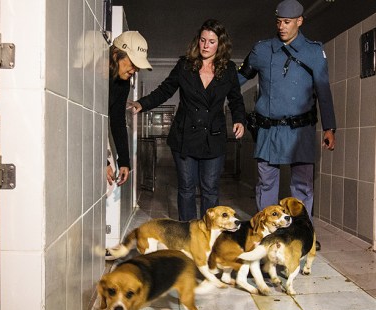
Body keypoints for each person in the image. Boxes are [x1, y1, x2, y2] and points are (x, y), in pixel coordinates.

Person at [131, 19, 246, 221]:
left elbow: (236, 99)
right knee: (186, 187)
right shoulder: (185, 65)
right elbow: (165, 90)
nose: (206, 46)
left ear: (220, 44)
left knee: (210, 189)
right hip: (185, 136)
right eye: (203, 40)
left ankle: (209, 234)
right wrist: (142, 104)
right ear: (198, 41)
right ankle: (188, 233)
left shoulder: (228, 70)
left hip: (213, 137)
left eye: (211, 41)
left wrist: (239, 120)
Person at [237, 0, 336, 220]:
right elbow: (237, 80)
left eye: (287, 22)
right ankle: (266, 232)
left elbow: (323, 92)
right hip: (268, 128)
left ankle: (302, 233)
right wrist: (211, 86)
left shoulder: (313, 51)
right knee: (266, 184)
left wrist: (330, 127)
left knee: (302, 185)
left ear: (299, 21)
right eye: (279, 21)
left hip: (301, 129)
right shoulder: (262, 50)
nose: (282, 26)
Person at [107, 31, 153, 186]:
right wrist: (103, 162)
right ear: (115, 55)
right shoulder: (95, 74)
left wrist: (124, 161)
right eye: (132, 63)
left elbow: (118, 120)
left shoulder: (123, 82)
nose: (134, 70)